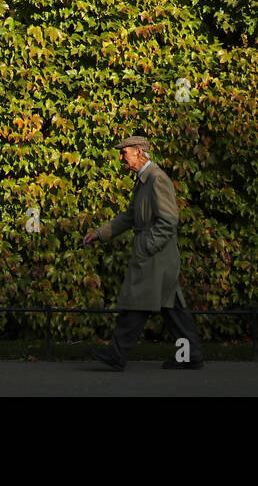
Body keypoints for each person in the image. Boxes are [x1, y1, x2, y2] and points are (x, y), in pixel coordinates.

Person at [83, 135, 205, 370]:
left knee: (136, 303)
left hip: (155, 256)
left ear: (139, 152)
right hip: (158, 256)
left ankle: (117, 356)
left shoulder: (156, 179)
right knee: (172, 309)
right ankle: (192, 355)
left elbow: (169, 221)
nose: (121, 158)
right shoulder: (144, 180)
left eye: (124, 153)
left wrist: (146, 245)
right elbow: (130, 216)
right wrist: (100, 233)